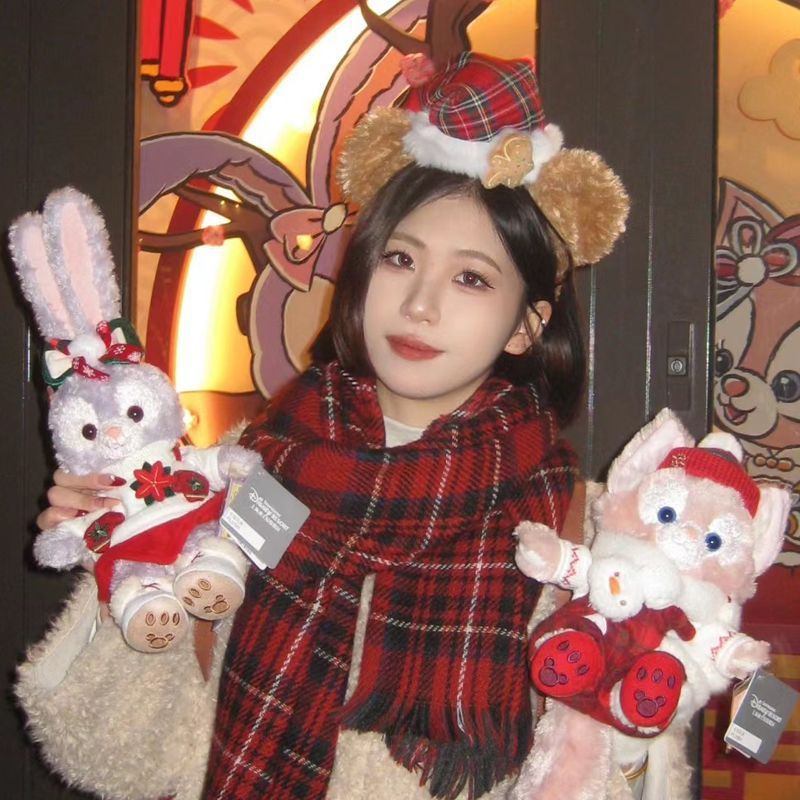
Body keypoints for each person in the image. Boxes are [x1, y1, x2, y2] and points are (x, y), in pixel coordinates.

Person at [35, 12, 629, 799]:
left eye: (471, 278)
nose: (418, 304)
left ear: (527, 324)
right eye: (401, 259)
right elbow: (112, 751)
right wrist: (123, 557)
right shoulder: (250, 462)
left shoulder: (579, 530)